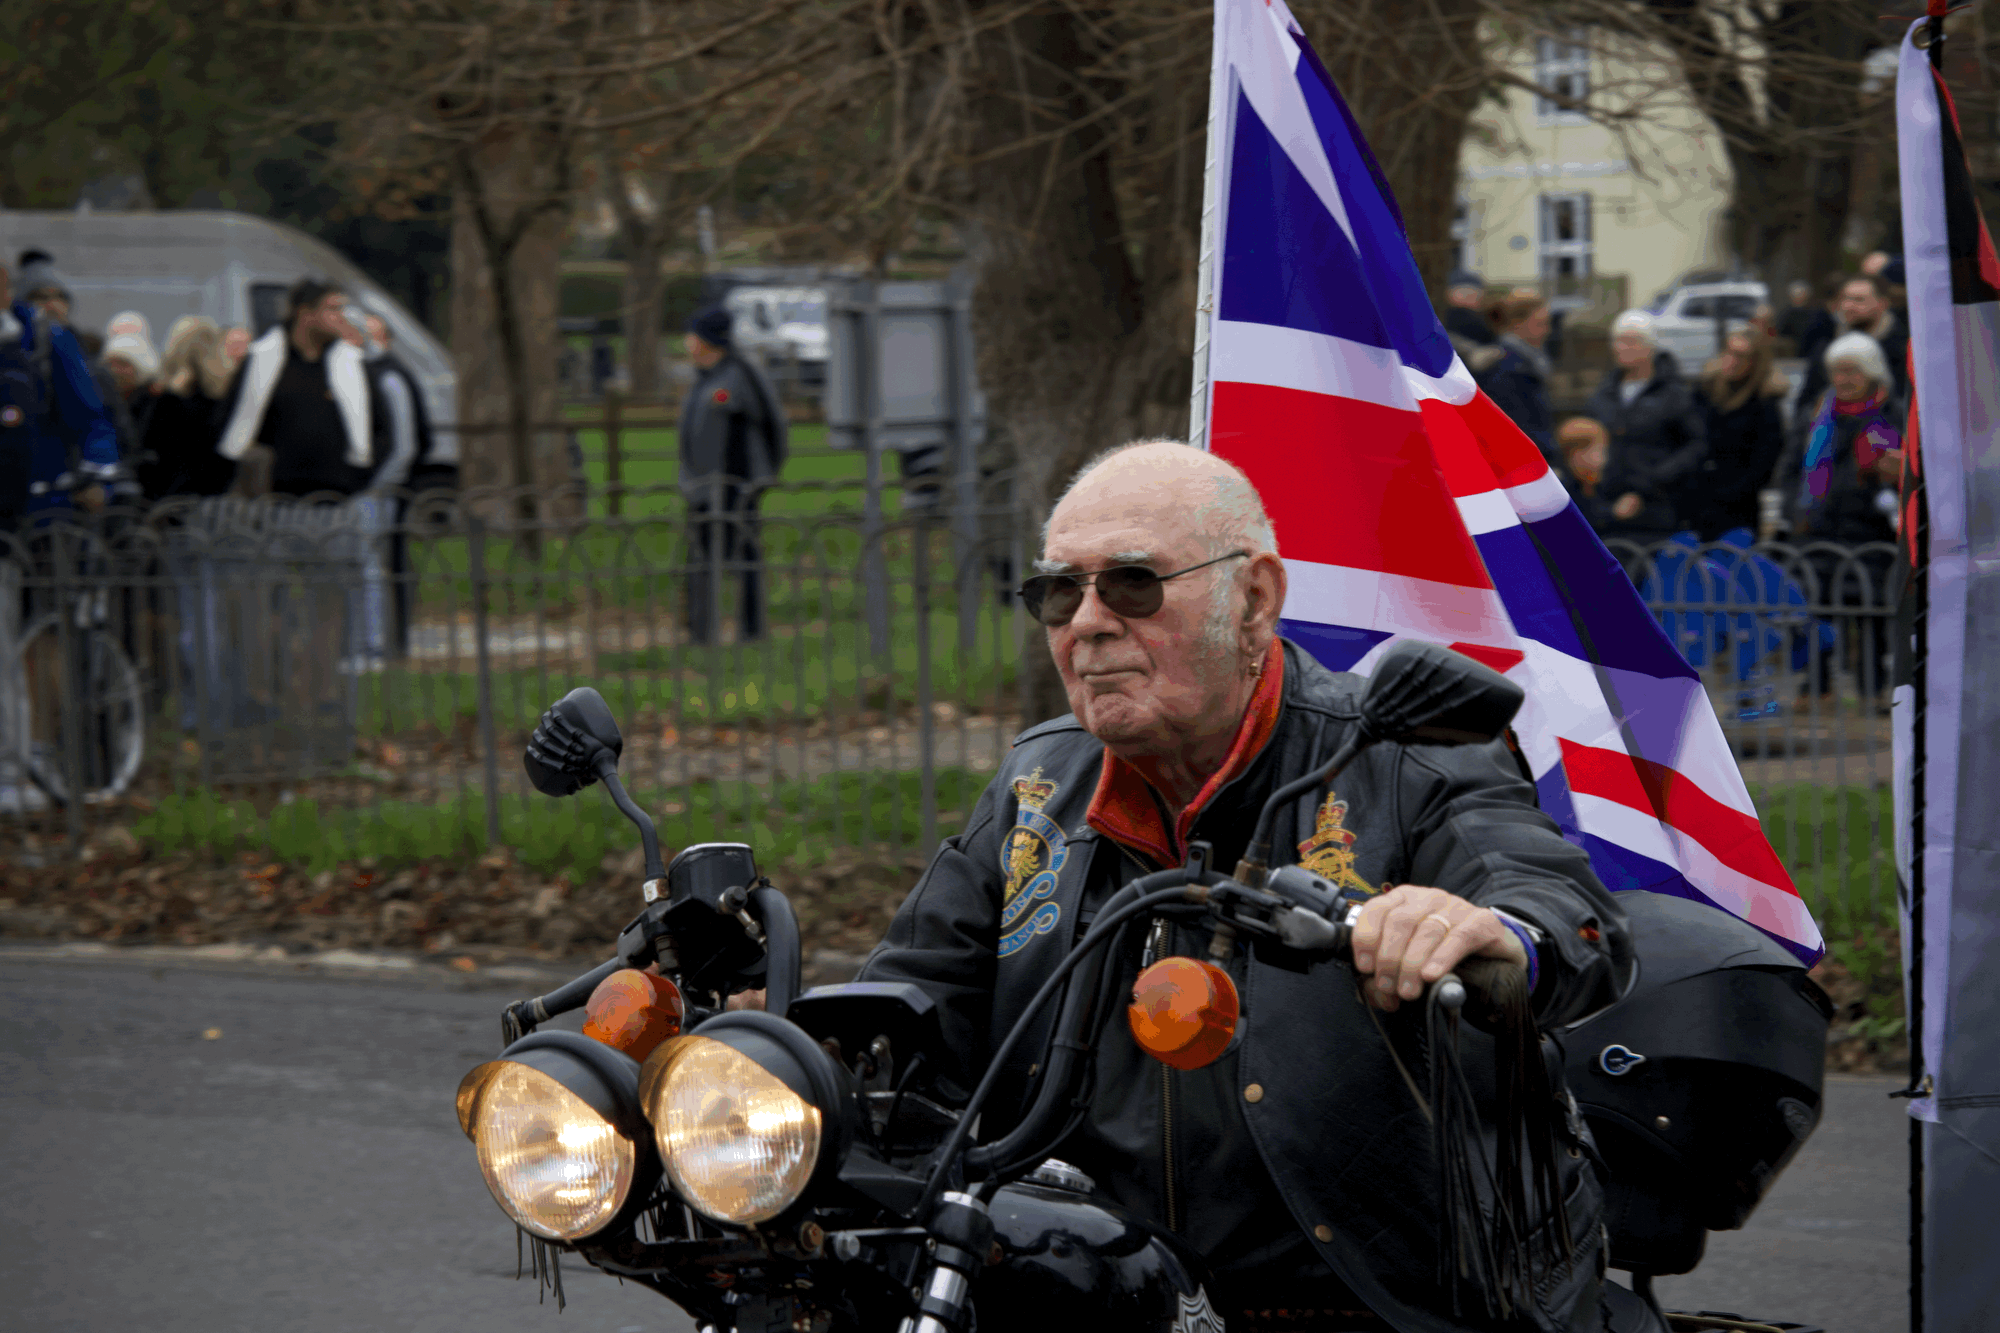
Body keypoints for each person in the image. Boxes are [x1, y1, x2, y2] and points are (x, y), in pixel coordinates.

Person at [842, 441, 1642, 1331]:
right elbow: (908, 999)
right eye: (1059, 592)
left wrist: (1486, 930)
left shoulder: (1401, 758)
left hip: (1367, 1295)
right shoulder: (1039, 785)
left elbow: (1568, 917)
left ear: (1254, 599)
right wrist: (776, 1051)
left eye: (1133, 583)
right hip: (1096, 1288)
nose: (1088, 621)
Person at [1786, 332, 1903, 703]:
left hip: (1869, 528)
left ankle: (1873, 687)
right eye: (1837, 372)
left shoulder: (1891, 415)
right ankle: (1816, 686)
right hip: (1817, 527)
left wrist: (1888, 472)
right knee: (1815, 609)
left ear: (1871, 372)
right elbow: (1791, 466)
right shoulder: (1816, 413)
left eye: (1852, 371)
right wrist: (1795, 507)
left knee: (1868, 613)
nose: (1844, 380)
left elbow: (1909, 470)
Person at [678, 304, 787, 644]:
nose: (687, 341)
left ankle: (752, 631)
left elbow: (773, 424)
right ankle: (700, 631)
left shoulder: (740, 375)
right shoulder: (704, 379)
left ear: (708, 340)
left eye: (692, 334)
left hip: (735, 485)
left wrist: (763, 475)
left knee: (744, 558)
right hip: (702, 488)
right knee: (700, 559)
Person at [216, 279, 380, 498]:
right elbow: (232, 422)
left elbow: (378, 426)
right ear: (305, 313)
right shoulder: (261, 360)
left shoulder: (353, 365)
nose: (342, 317)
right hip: (273, 496)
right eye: (333, 309)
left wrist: (359, 476)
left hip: (337, 495)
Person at [0, 261, 121, 529]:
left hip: (41, 506)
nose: (52, 304)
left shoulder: (47, 338)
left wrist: (97, 477)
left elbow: (90, 414)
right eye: (43, 297)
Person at [1582, 309, 1707, 550]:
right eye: (1617, 341)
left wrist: (1651, 484)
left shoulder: (1674, 395)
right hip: (1607, 510)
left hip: (1657, 512)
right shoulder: (1603, 395)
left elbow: (1695, 447)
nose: (1621, 348)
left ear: (1649, 347)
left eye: (1630, 341)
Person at [1688, 326, 1789, 542]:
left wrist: (1729, 494)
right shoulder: (1703, 394)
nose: (1732, 361)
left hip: (1737, 510)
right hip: (1695, 505)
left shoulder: (1763, 405)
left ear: (1754, 363)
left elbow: (1764, 462)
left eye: (1741, 356)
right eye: (1729, 352)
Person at [139, 317, 237, 500]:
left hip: (166, 494)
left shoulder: (163, 397)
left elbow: (149, 445)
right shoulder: (225, 396)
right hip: (212, 494)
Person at [1797, 273, 1909, 411]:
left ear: (1883, 303)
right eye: (1844, 299)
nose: (1848, 306)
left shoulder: (1904, 348)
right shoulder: (1825, 347)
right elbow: (1806, 402)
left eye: (1859, 300)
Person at [1478, 292, 1557, 465]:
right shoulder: (1505, 368)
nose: (1547, 330)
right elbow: (1518, 424)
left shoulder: (1528, 362)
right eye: (1541, 324)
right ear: (1518, 324)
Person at [1555, 415, 1613, 532]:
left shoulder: (1592, 480)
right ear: (1577, 453)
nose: (1604, 459)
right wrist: (1614, 513)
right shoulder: (1560, 484)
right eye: (1599, 451)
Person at [1774, 279, 1832, 359]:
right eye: (1795, 295)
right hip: (1794, 355)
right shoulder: (1787, 314)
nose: (1799, 298)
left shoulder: (1818, 313)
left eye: (1801, 294)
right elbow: (1781, 333)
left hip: (1814, 352)